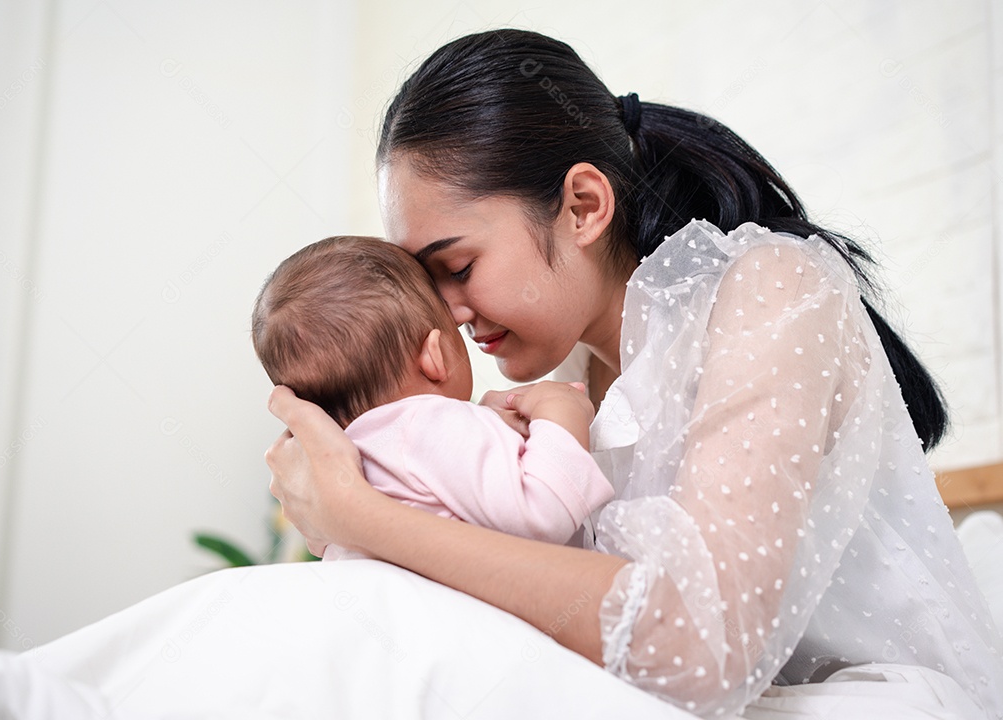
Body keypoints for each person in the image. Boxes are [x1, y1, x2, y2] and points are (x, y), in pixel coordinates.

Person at [266, 29, 1003, 719]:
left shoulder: (772, 288)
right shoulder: (573, 394)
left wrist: (361, 516)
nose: (447, 314)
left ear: (583, 206)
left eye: (456, 268)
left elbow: (699, 645)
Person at [251, 235, 614, 560]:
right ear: (435, 356)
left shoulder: (342, 467)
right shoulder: (426, 426)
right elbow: (543, 516)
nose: (462, 317)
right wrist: (560, 411)